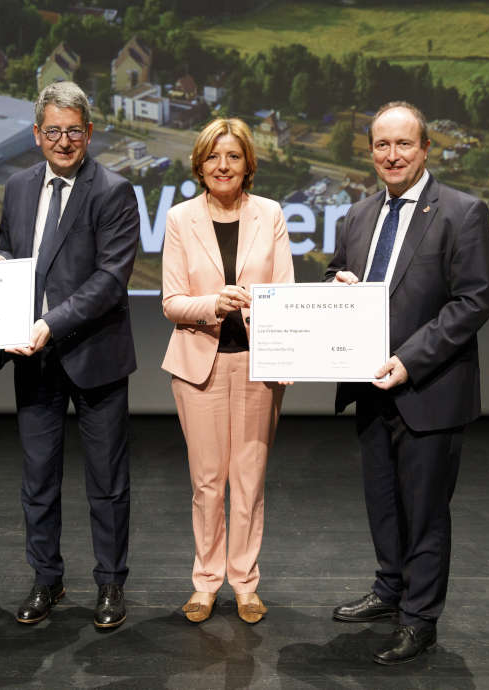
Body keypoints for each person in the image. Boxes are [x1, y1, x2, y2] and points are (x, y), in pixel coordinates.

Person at [324, 101, 489, 664]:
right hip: (369, 386)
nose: (391, 155)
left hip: (429, 388)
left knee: (424, 510)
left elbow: (474, 301)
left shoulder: (463, 212)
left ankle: (420, 619)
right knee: (383, 502)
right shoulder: (356, 216)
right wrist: (338, 283)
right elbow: (335, 276)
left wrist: (408, 359)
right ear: (370, 150)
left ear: (425, 148)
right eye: (381, 145)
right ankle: (389, 588)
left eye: (403, 144)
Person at [0, 81, 139, 629]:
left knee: (106, 483)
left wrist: (49, 324)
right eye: (53, 131)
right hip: (35, 359)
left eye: (74, 130)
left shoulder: (114, 191)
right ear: (36, 135)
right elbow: (13, 253)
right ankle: (46, 580)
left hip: (94, 356)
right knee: (38, 480)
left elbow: (110, 281)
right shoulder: (20, 186)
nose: (64, 141)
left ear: (89, 133)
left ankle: (111, 585)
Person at [161, 118, 294, 625]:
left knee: (249, 480)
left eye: (233, 157)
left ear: (247, 165)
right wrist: (215, 304)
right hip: (201, 367)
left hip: (259, 365)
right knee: (208, 483)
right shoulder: (179, 218)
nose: (223, 166)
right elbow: (172, 302)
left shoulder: (271, 214)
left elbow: (283, 290)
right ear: (200, 163)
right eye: (214, 157)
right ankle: (205, 582)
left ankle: (244, 583)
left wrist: (269, 320)